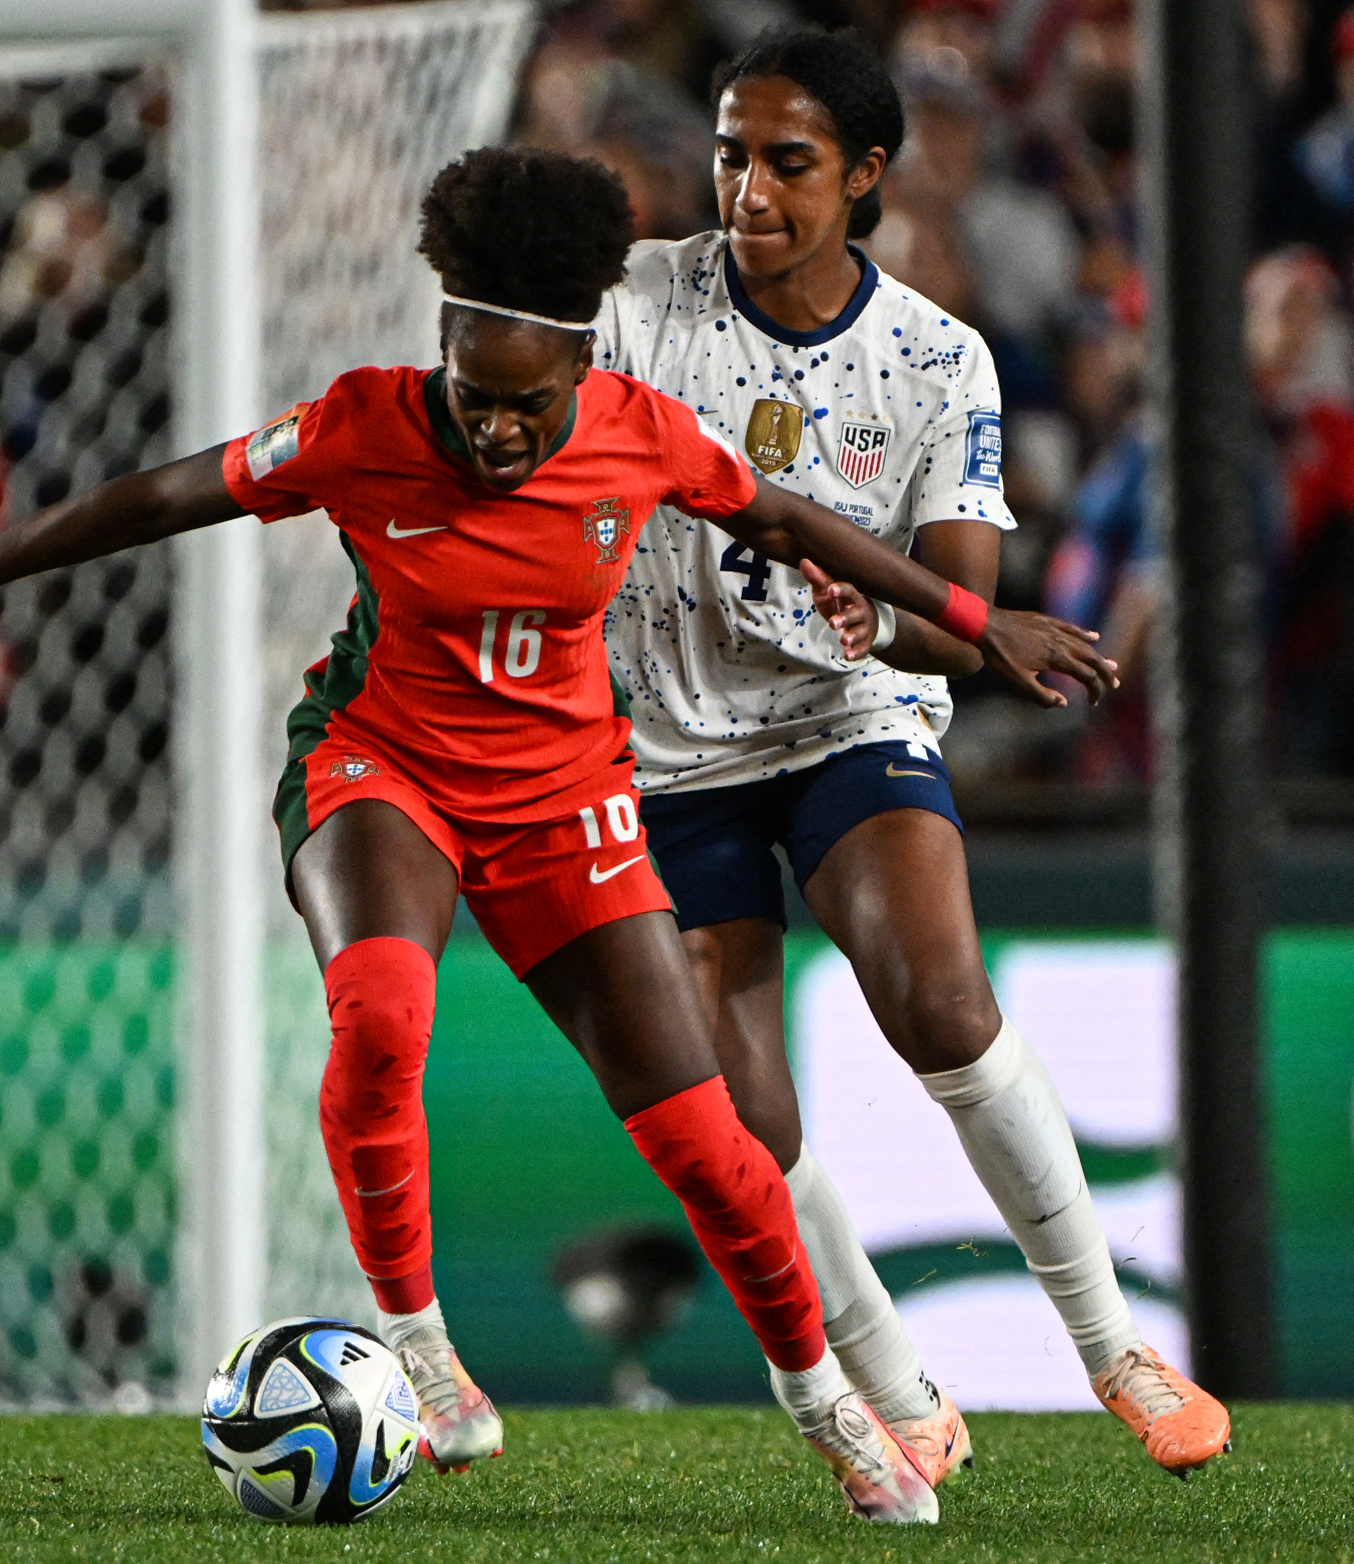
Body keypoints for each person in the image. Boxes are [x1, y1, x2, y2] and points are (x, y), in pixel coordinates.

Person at [0, 147, 1114, 1524]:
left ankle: (832, 1411)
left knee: (710, 1148)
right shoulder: (358, 426)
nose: (494, 431)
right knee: (378, 1017)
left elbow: (792, 522)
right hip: (381, 766)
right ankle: (426, 1361)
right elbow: (153, 498)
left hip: (565, 798)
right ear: (440, 342)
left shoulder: (640, 433)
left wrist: (981, 624)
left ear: (575, 368)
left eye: (524, 407)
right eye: (473, 397)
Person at [592, 23, 1230, 1482]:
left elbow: (960, 619)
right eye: (729, 154)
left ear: (865, 172)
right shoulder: (634, 305)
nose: (746, 189)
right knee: (741, 1115)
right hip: (666, 744)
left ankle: (1112, 1347)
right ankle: (890, 1380)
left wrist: (873, 624)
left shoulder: (935, 361)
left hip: (844, 714)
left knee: (936, 996)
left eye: (787, 162)